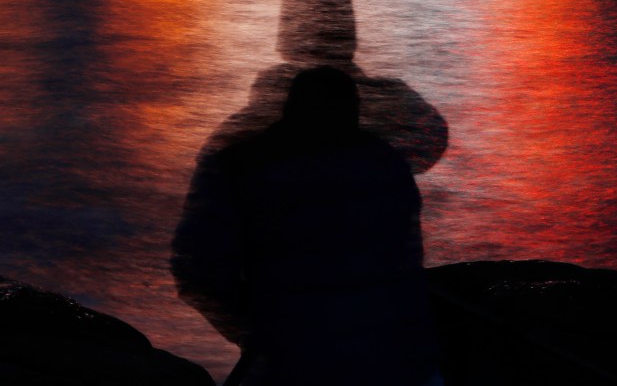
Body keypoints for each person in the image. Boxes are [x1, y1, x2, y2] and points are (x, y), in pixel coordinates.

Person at [172, 67, 442, 386]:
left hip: (294, 358)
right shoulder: (387, 164)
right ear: (354, 110)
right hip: (397, 358)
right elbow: (432, 139)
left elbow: (195, 269)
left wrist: (251, 330)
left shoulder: (238, 167)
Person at [199, 0, 448, 175]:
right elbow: (431, 140)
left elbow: (212, 162)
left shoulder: (269, 105)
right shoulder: (390, 106)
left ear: (286, 36)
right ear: (350, 33)